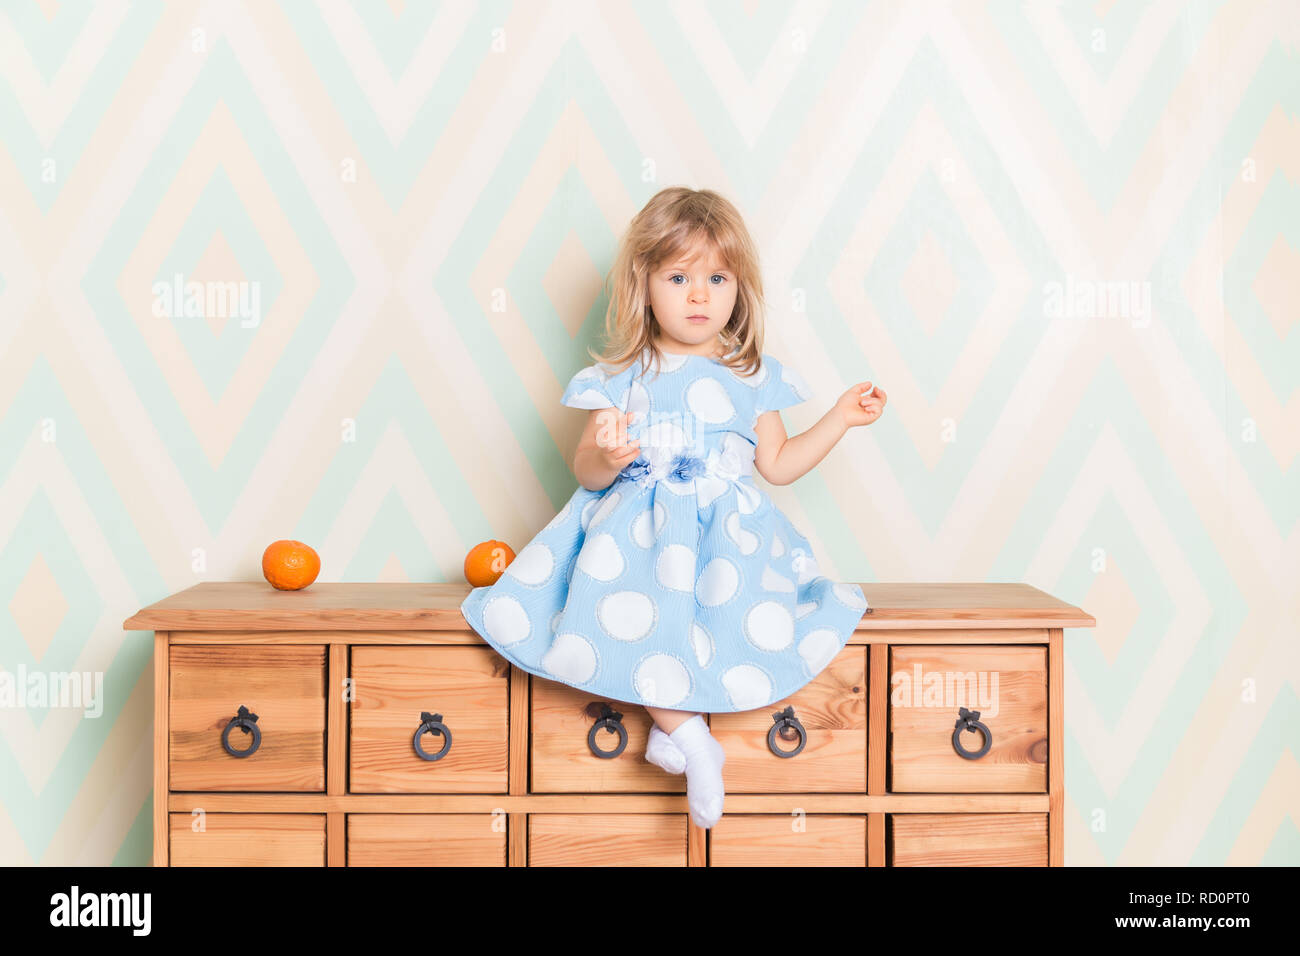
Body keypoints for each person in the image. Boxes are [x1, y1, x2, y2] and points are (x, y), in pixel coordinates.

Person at [460, 186, 887, 828]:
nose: (698, 295)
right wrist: (609, 452)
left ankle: (671, 729)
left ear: (739, 288)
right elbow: (584, 469)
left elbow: (778, 465)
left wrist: (839, 419)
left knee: (718, 626)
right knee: (631, 614)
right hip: (639, 539)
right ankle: (692, 740)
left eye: (717, 278)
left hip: (725, 545)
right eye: (679, 276)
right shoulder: (623, 374)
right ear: (645, 285)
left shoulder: (750, 375)